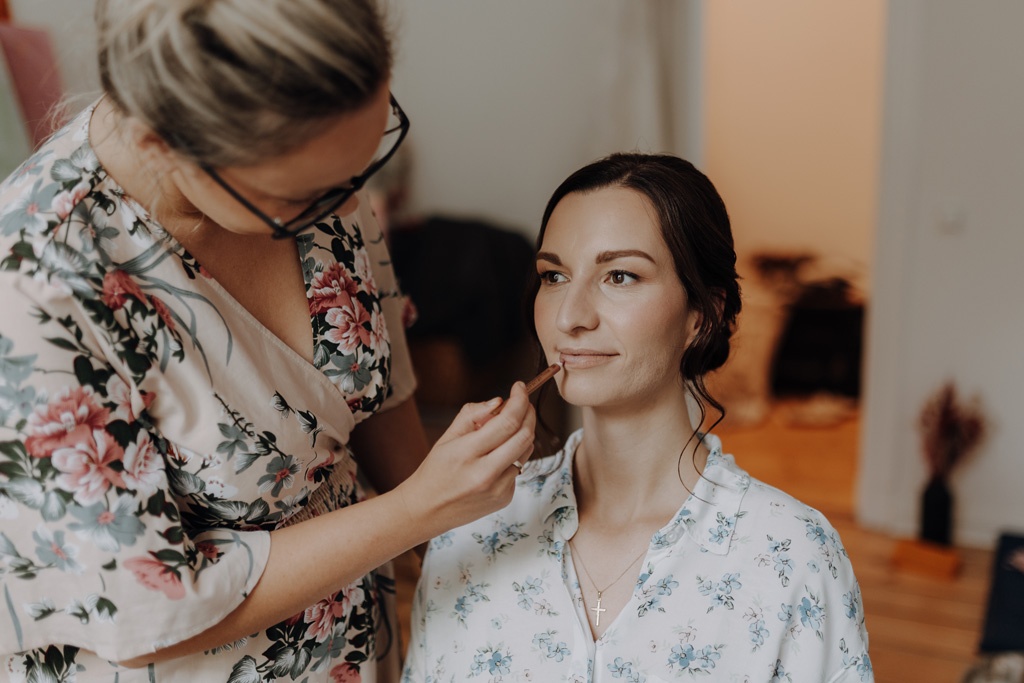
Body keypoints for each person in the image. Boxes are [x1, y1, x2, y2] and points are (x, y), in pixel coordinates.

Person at [0, 1, 536, 680]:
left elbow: (376, 396)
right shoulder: (34, 284)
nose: (349, 210)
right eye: (307, 196)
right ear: (161, 144)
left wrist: (469, 549)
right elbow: (145, 613)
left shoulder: (324, 178)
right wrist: (419, 508)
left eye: (363, 164)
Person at [403, 153, 874, 682]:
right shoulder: (470, 529)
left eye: (620, 276)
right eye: (554, 275)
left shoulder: (794, 557)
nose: (569, 317)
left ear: (703, 314)